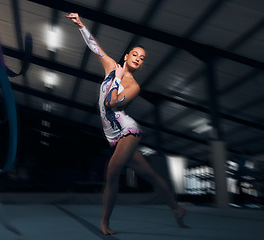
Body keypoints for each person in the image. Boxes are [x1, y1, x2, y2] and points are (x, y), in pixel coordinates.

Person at [66, 13, 189, 235]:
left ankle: (105, 222)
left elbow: (112, 103)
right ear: (126, 55)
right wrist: (81, 26)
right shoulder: (111, 66)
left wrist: (116, 79)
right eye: (135, 54)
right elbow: (95, 48)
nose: (138, 59)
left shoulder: (133, 86)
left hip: (127, 131)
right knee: (150, 174)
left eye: (142, 59)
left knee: (112, 172)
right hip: (112, 136)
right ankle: (176, 208)